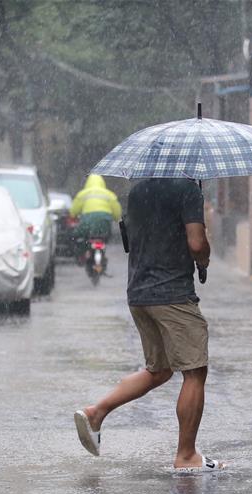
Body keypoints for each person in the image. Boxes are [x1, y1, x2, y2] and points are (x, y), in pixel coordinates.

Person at [74, 178, 222, 471]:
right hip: (173, 295)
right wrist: (203, 257)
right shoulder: (188, 189)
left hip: (140, 293)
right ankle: (187, 455)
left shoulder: (139, 191)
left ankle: (96, 412)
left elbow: (133, 238)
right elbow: (196, 243)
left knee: (159, 370)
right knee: (195, 371)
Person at [69, 174, 121, 255]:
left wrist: (74, 217)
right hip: (105, 222)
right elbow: (117, 213)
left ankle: (82, 254)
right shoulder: (109, 195)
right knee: (105, 237)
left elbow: (73, 212)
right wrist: (115, 218)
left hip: (87, 222)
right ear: (102, 183)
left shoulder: (82, 194)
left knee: (77, 236)